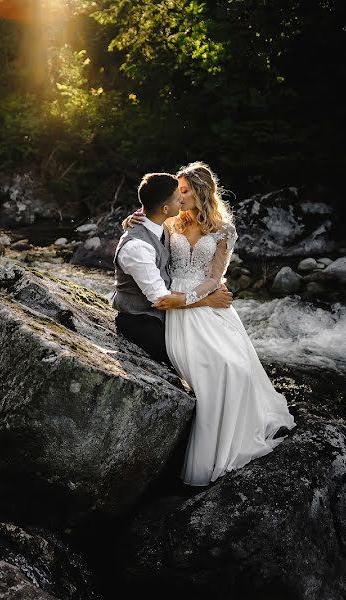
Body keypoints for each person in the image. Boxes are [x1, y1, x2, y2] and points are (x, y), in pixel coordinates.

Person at [122, 162, 296, 486]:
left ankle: (235, 440)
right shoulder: (172, 220)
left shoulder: (224, 231)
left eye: (184, 190)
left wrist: (188, 300)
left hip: (206, 303)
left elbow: (215, 279)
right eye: (177, 191)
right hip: (175, 305)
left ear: (199, 192)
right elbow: (146, 220)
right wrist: (131, 219)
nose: (178, 195)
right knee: (214, 367)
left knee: (235, 366)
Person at [111, 172, 233, 368]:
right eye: (179, 193)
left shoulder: (164, 223)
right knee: (201, 359)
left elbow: (152, 213)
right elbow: (161, 299)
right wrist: (208, 300)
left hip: (180, 303)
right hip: (145, 318)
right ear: (166, 207)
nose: (181, 198)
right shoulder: (141, 244)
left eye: (184, 192)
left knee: (225, 356)